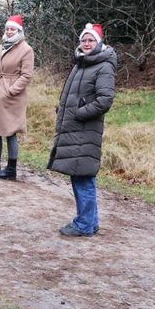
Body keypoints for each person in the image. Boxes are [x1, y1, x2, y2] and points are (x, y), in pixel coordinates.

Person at [47, 23, 116, 237]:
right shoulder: (82, 64)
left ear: (99, 43)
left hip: (85, 131)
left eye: (91, 40)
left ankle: (84, 224)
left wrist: (78, 113)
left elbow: (105, 100)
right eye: (84, 40)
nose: (86, 44)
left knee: (83, 177)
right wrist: (64, 108)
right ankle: (90, 222)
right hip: (75, 130)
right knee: (81, 176)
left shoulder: (103, 66)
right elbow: (76, 95)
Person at [0, 14, 34, 182]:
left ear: (19, 31)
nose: (9, 32)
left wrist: (10, 90)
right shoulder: (2, 46)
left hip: (11, 95)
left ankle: (11, 168)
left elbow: (26, 76)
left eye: (13, 29)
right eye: (8, 29)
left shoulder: (26, 49)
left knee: (10, 130)